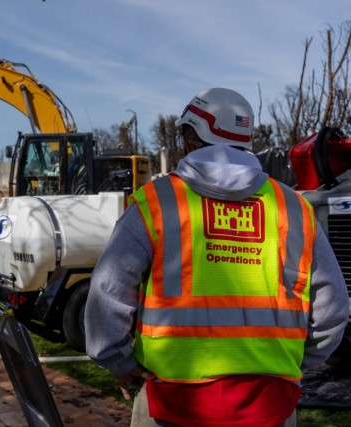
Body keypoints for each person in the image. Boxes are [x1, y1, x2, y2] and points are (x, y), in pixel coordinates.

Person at [84, 87, 349, 427]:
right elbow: (333, 307)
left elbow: (107, 293)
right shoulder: (293, 207)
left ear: (191, 140)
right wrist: (298, 362)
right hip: (269, 403)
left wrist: (119, 362)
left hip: (171, 402)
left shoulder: (157, 202)